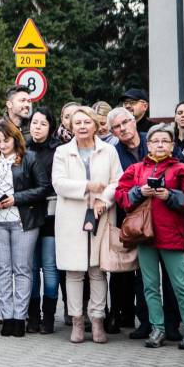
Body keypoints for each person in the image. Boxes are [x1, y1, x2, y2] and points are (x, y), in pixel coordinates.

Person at [115, 124, 184, 349]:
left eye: (165, 141)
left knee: (180, 285)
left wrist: (169, 195)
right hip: (144, 236)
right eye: (156, 141)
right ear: (148, 145)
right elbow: (121, 195)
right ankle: (157, 328)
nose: (160, 145)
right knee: (150, 286)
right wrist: (139, 192)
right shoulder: (135, 169)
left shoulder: (181, 169)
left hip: (172, 235)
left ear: (172, 146)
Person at [107, 106, 184, 340]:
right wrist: (137, 192)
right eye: (117, 127)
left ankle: (172, 324)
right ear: (113, 131)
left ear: (134, 121)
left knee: (172, 277)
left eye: (125, 122)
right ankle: (147, 322)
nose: (122, 129)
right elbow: (118, 186)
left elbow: (182, 175)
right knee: (144, 276)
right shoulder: (114, 152)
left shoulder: (155, 140)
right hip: (137, 219)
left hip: (168, 216)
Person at [52, 107, 122, 344]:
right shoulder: (62, 152)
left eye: (86, 122)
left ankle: (98, 319)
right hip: (72, 218)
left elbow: (118, 181)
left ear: (95, 125)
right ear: (71, 127)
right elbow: (58, 183)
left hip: (101, 215)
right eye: (77, 123)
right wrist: (87, 186)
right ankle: (77, 321)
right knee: (73, 272)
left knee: (98, 271)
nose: (82, 126)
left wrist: (104, 199)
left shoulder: (109, 150)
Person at [0, 121, 50, 337]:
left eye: (5, 140)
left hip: (23, 221)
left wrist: (16, 199)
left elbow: (44, 188)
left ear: (15, 139)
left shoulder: (29, 158)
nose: (2, 145)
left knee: (22, 269)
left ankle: (20, 316)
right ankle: (7, 317)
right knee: (2, 269)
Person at [25, 108, 59, 334]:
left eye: (43, 124)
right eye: (34, 123)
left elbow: (53, 184)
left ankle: (48, 316)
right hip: (28, 214)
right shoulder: (23, 147)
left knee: (49, 266)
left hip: (50, 214)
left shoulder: (58, 150)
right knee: (31, 267)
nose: (37, 127)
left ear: (50, 127)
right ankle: (33, 315)